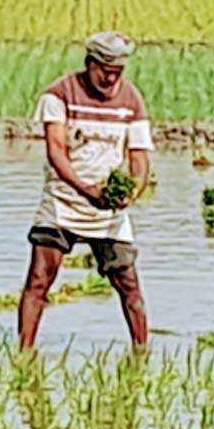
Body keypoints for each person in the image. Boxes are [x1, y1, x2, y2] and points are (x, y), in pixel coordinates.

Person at [19, 32, 154, 352]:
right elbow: (56, 152)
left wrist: (132, 191)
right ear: (89, 63)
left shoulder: (131, 100)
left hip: (108, 209)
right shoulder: (59, 94)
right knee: (39, 279)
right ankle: (24, 353)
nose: (110, 78)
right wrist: (85, 190)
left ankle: (141, 353)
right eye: (104, 70)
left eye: (116, 72)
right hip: (64, 201)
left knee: (128, 284)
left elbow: (139, 157)